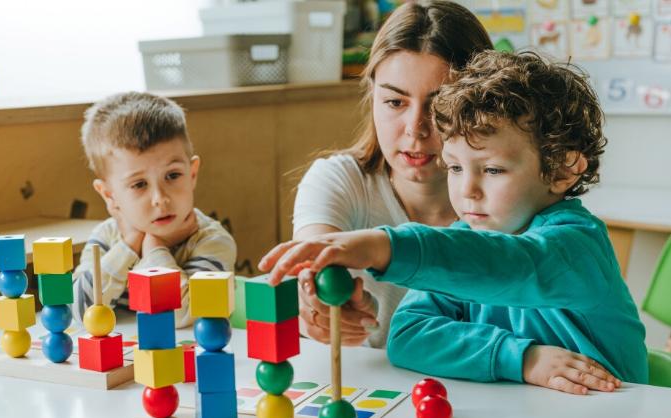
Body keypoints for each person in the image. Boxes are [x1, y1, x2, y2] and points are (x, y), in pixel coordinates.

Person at [260, 51, 648, 394]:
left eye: (493, 169)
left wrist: (387, 246)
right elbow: (408, 335)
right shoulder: (467, 239)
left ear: (563, 169)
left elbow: (511, 265)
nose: (468, 190)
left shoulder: (578, 247)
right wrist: (521, 358)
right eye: (455, 167)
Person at [292, 0, 493, 347]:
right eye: (395, 102)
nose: (415, 129)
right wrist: (318, 303)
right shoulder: (339, 180)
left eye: (439, 105)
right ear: (372, 96)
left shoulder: (509, 199)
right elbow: (314, 259)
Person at [73, 91, 236, 327]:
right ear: (109, 195)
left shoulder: (211, 240)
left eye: (173, 175)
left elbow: (187, 315)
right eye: (139, 184)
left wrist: (153, 248)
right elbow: (79, 310)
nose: (160, 198)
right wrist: (129, 246)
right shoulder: (106, 238)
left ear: (192, 174)